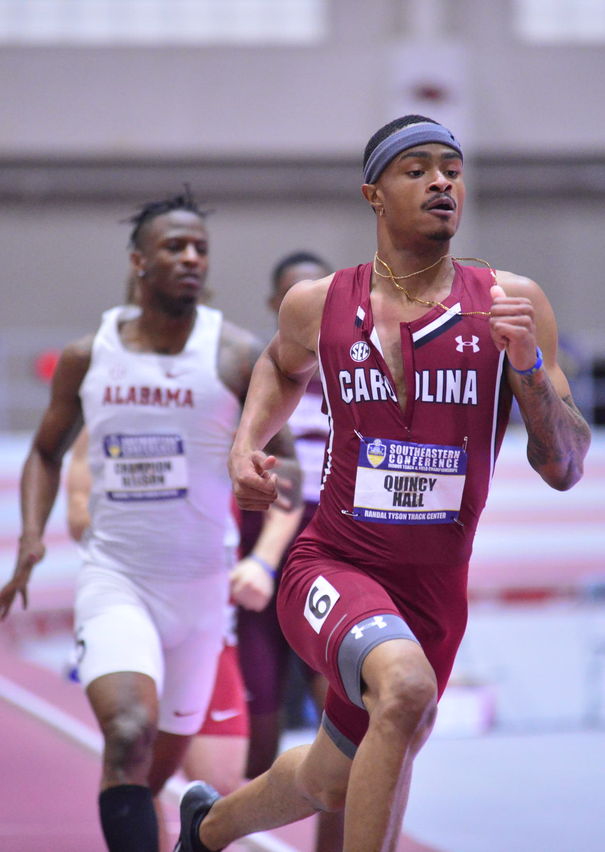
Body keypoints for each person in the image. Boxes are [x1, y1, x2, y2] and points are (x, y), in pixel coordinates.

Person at [176, 115, 592, 852]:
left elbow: (564, 465)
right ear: (374, 194)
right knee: (404, 687)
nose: (441, 183)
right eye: (418, 169)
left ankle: (206, 829)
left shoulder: (509, 302)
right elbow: (279, 364)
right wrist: (246, 445)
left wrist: (527, 364)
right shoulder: (319, 303)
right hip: (332, 564)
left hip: (434, 593)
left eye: (452, 170)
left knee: (334, 778)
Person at [0, 190, 302, 852]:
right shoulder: (89, 355)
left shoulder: (235, 354)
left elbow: (292, 468)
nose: (191, 258)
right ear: (138, 260)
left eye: (200, 248)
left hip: (201, 595)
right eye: (174, 247)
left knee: (152, 774)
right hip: (117, 580)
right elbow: (44, 452)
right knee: (128, 734)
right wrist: (30, 539)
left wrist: (263, 480)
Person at [65, 426, 253, 801]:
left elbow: (287, 482)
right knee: (136, 756)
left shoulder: (221, 412)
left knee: (220, 786)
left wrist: (263, 561)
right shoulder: (105, 419)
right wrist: (148, 517)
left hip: (208, 624)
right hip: (137, 610)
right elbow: (77, 515)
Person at [235, 251, 344, 852]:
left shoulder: (363, 370)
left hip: (333, 554)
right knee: (260, 733)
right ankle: (237, 834)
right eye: (292, 296)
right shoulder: (255, 374)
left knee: (345, 730)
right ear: (278, 307)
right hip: (264, 556)